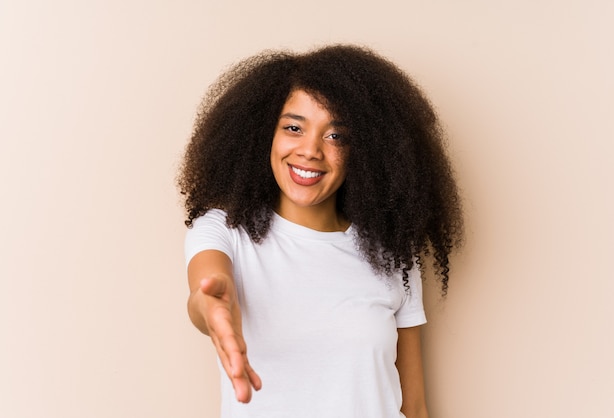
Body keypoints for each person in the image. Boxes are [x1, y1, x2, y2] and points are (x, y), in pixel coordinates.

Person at [178, 44, 463, 418]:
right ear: (263, 134)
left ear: (366, 150)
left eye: (336, 136)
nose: (310, 150)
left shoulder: (393, 251)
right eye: (294, 128)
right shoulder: (226, 231)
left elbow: (415, 406)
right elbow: (206, 291)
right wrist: (212, 307)